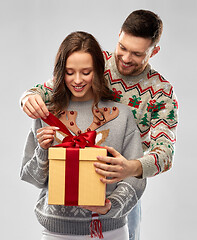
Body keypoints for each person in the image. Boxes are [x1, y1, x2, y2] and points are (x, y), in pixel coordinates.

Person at [20, 10, 178, 240]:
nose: (124, 58)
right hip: (62, 213)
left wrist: (130, 168)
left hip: (121, 182)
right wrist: (27, 96)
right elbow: (50, 88)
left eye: (136, 53)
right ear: (118, 37)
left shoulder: (161, 92)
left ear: (154, 51)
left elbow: (166, 152)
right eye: (122, 47)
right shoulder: (96, 62)